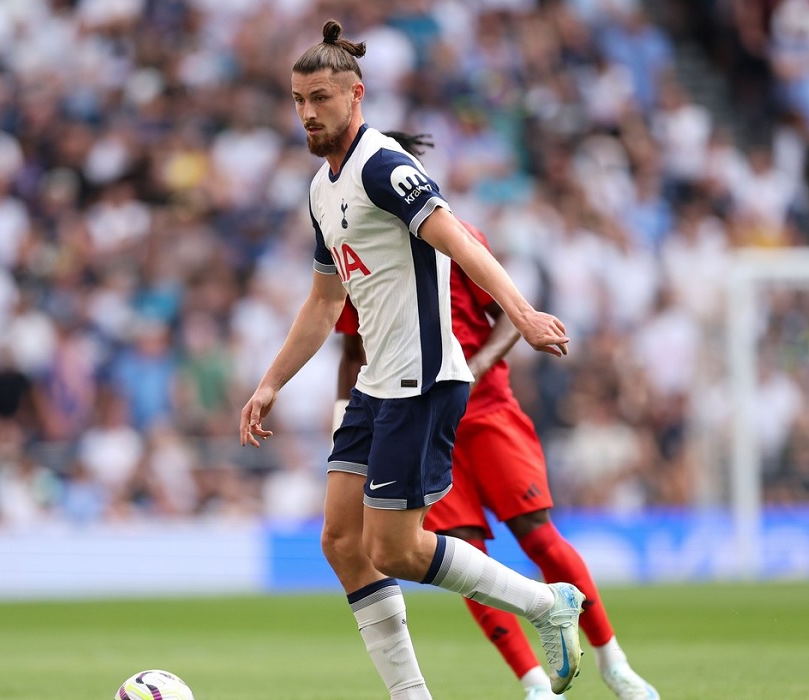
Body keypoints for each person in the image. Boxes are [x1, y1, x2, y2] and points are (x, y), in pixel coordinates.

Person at [239, 21, 584, 699]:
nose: (307, 112)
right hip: (378, 382)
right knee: (340, 541)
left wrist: (521, 314)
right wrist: (270, 382)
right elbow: (320, 305)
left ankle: (548, 604)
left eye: (320, 98)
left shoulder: (383, 166)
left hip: (422, 380)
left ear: (355, 95)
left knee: (394, 549)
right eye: (297, 100)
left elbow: (457, 240)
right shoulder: (323, 188)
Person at [334, 131, 660, 700]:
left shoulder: (454, 236)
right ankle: (535, 683)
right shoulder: (360, 252)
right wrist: (344, 418)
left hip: (484, 408)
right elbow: (350, 346)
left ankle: (615, 664)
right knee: (456, 548)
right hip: (410, 415)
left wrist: (478, 363)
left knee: (537, 533)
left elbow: (509, 310)